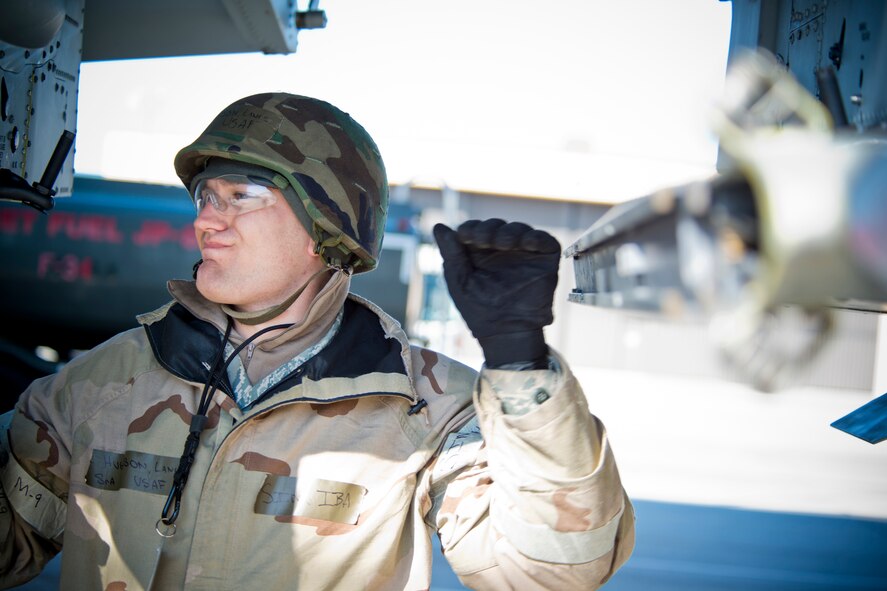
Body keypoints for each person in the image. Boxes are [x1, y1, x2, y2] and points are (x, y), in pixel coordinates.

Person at [0, 93, 634, 590]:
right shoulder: (99, 385)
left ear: (325, 227)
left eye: (240, 197)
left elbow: (552, 572)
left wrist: (520, 360)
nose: (204, 221)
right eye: (204, 196)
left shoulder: (427, 412)